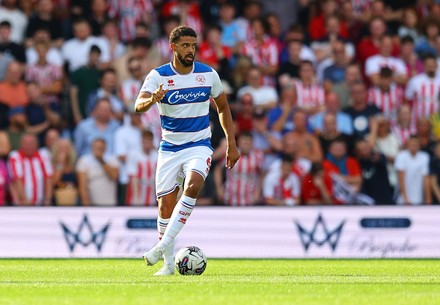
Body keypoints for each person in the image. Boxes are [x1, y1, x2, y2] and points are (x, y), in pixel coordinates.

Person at [134, 26, 239, 276]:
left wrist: (231, 143)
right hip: (170, 148)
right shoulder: (158, 76)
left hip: (199, 145)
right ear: (173, 47)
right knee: (164, 207)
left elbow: (223, 107)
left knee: (192, 186)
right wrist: (153, 99)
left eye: (193, 45)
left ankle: (159, 249)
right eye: (185, 45)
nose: (190, 50)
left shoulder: (208, 74)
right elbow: (138, 106)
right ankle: (169, 266)